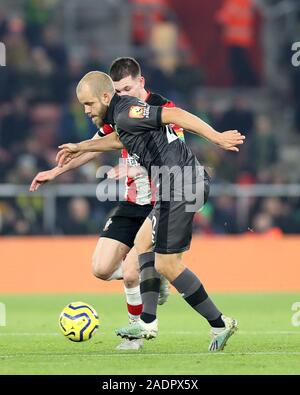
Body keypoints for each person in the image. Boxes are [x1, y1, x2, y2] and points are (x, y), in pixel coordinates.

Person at [56, 71, 245, 351]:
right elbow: (118, 141)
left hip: (180, 184)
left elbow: (175, 114)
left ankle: (219, 323)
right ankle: (147, 321)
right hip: (176, 184)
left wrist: (215, 137)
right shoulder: (120, 118)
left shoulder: (126, 112)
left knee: (167, 265)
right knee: (143, 242)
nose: (86, 111)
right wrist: (79, 146)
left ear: (106, 97)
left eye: (89, 104)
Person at [30, 57, 183, 350]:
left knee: (129, 272)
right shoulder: (118, 113)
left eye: (127, 89)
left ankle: (135, 335)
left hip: (159, 202)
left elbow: (167, 144)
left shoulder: (163, 109)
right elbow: (94, 147)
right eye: (117, 91)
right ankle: (152, 276)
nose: (122, 95)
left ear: (141, 83)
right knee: (101, 269)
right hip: (132, 202)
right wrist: (55, 172)